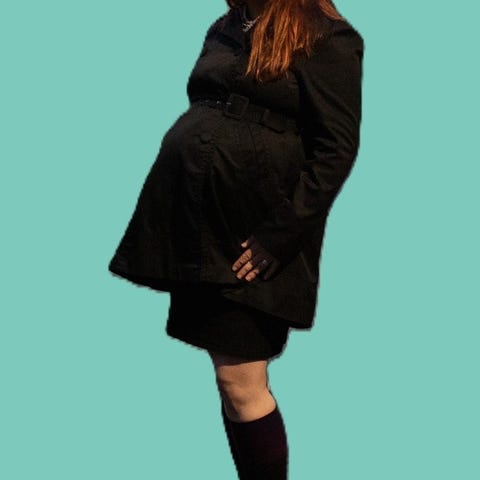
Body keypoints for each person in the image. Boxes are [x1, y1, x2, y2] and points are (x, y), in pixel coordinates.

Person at [108, 0, 364, 478]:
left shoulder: (326, 35)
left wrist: (278, 237)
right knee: (229, 383)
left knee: (241, 382)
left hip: (254, 235)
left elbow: (336, 149)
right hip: (201, 225)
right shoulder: (228, 24)